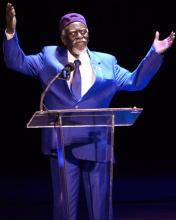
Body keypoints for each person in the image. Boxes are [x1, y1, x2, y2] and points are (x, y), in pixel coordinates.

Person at [3, 2, 175, 220]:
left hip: (96, 143)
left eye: (83, 31)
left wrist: (154, 54)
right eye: (73, 33)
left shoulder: (107, 61)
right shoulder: (48, 57)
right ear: (63, 37)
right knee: (64, 208)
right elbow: (15, 62)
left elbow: (135, 81)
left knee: (100, 208)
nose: (79, 36)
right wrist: (10, 32)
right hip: (62, 145)